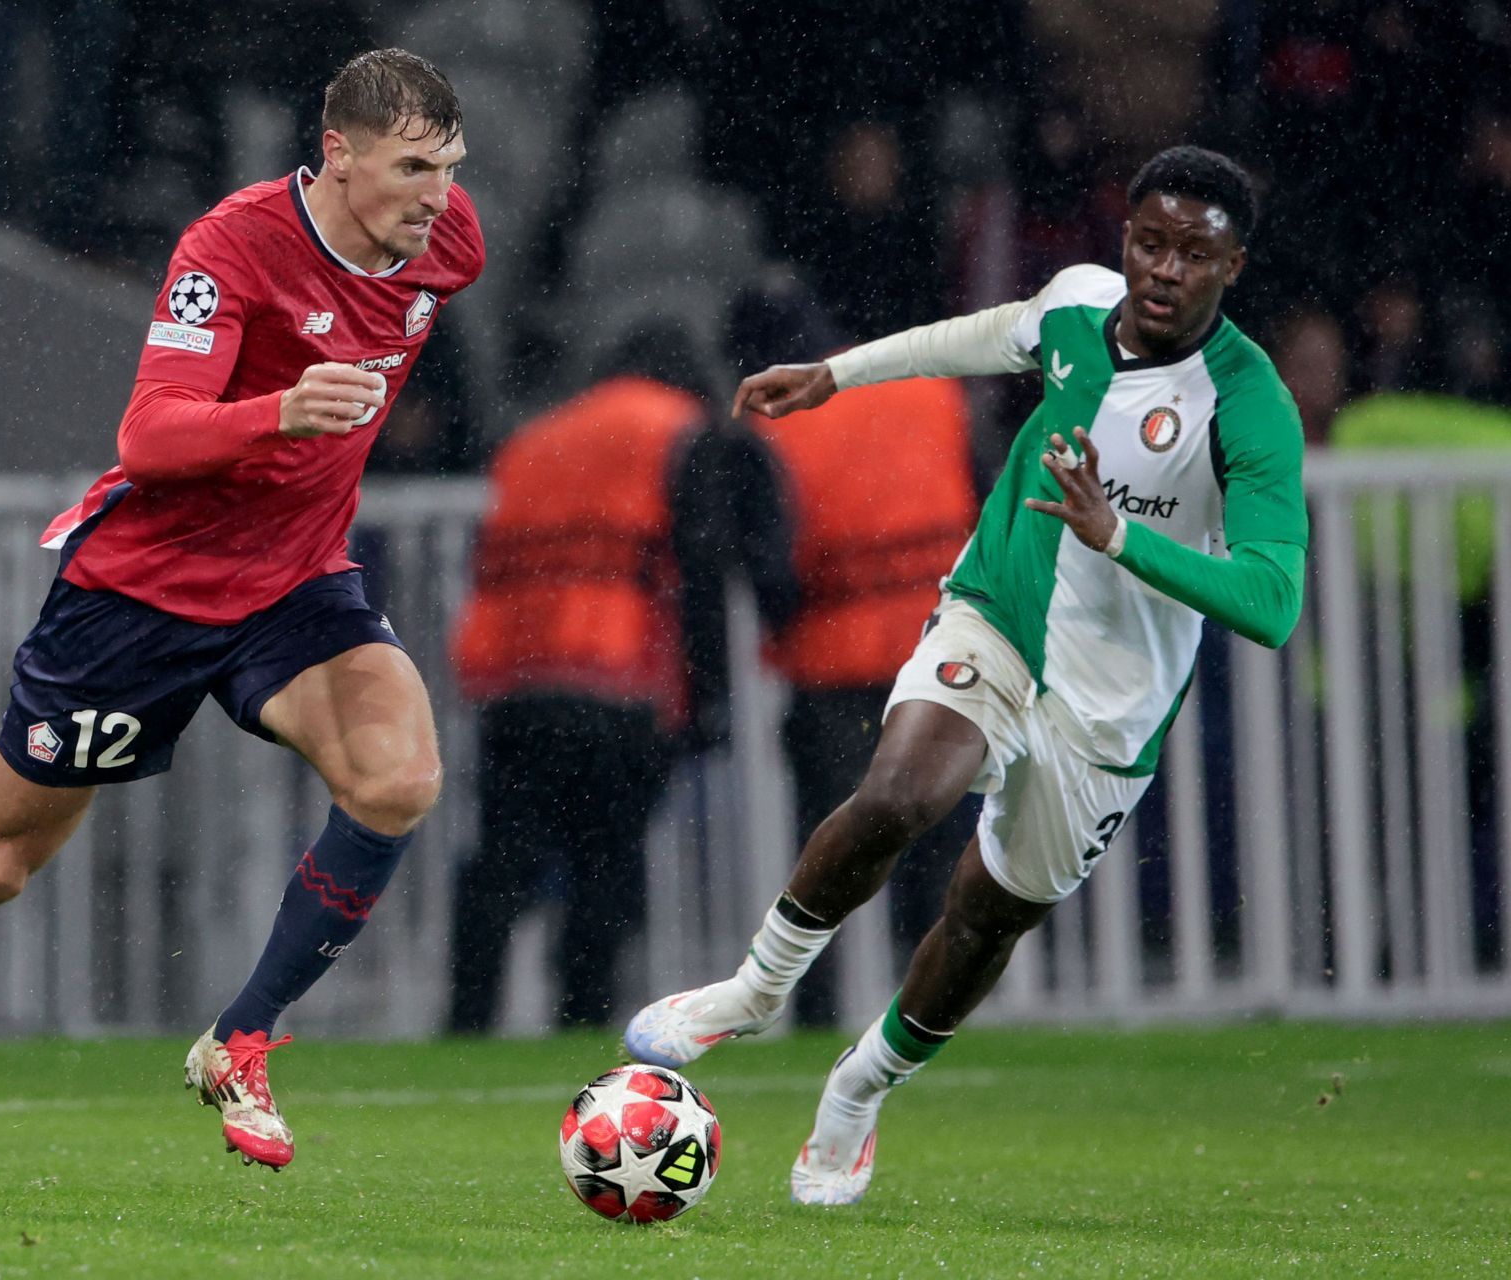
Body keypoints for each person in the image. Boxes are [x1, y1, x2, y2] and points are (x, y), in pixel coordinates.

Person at [0, 49, 482, 1196]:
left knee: (399, 776)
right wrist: (283, 410)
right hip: (141, 600)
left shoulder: (449, 249)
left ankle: (238, 1037)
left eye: (449, 167)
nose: (435, 196)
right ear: (335, 153)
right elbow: (150, 436)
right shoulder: (230, 248)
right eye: (410, 167)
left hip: (293, 586)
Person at [624, 147, 1308, 1206]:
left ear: (1235, 267)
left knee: (987, 912)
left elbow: (1272, 601)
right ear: (1125, 240)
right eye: (1150, 242)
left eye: (1195, 254)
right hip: (1000, 609)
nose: (1165, 269)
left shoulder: (1248, 404)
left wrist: (1119, 535)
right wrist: (836, 374)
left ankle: (862, 1083)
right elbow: (986, 335)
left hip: (1112, 702)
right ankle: (752, 991)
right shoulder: (1082, 306)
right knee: (899, 792)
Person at [445, 327, 798, 1033]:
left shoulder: (535, 438)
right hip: (618, 681)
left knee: (501, 860)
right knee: (604, 865)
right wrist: (710, 701)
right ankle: (580, 1015)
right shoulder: (677, 430)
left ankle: (466, 1019)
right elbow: (701, 570)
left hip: (517, 684)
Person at [725, 281, 982, 1029]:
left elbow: (770, 573)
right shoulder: (933, 392)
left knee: (831, 857)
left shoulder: (772, 428)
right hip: (942, 657)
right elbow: (992, 502)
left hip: (830, 669)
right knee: (935, 844)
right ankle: (934, 1013)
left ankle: (818, 1013)